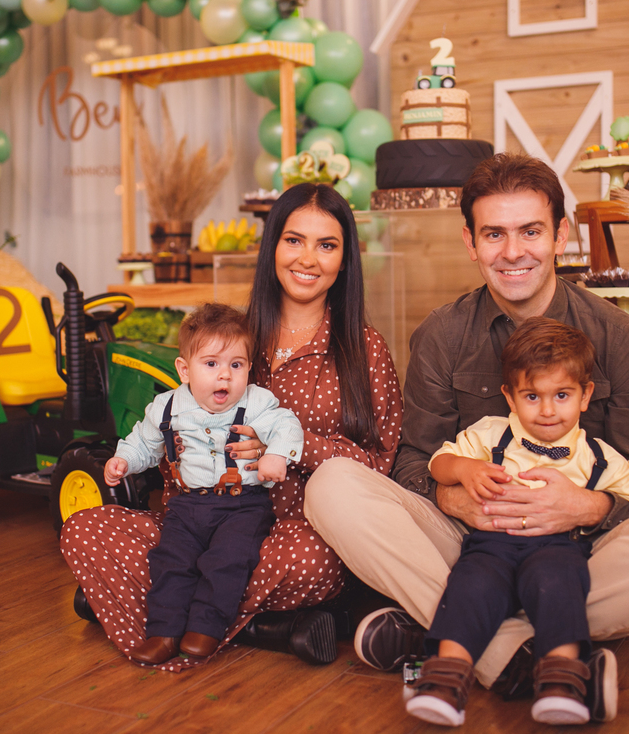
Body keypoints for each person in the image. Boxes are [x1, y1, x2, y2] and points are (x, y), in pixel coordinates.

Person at [304, 152, 629, 691]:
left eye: (530, 231)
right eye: (494, 235)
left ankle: (450, 639)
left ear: (560, 236)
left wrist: (587, 506)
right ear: (471, 243)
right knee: (331, 485)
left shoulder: (618, 338)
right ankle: (537, 657)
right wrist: (453, 497)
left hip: (578, 552)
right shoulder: (441, 336)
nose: (512, 253)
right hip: (465, 546)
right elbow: (413, 462)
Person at [60, 182, 403, 668]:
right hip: (195, 522)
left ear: (345, 259)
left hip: (293, 536)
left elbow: (379, 465)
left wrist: (293, 447)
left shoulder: (364, 349)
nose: (307, 258)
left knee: (316, 560)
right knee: (85, 528)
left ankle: (170, 610)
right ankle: (264, 628)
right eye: (293, 240)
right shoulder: (228, 339)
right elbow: (169, 425)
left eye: (326, 245)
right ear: (272, 248)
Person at [402, 317, 629, 727]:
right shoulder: (491, 435)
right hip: (491, 545)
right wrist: (466, 470)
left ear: (584, 395)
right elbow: (439, 461)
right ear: (509, 396)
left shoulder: (597, 456)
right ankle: (444, 679)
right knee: (471, 586)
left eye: (561, 395)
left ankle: (559, 680)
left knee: (560, 587)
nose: (546, 410)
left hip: (558, 548)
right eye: (532, 396)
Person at [103, 303, 303, 665]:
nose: (224, 376)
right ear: (184, 369)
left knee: (227, 560)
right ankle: (163, 631)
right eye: (211, 364)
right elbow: (144, 443)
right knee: (171, 561)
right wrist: (124, 460)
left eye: (236, 365)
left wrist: (277, 455)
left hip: (242, 505)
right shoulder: (166, 408)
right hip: (187, 506)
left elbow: (286, 425)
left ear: (248, 368)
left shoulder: (257, 403)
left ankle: (206, 626)